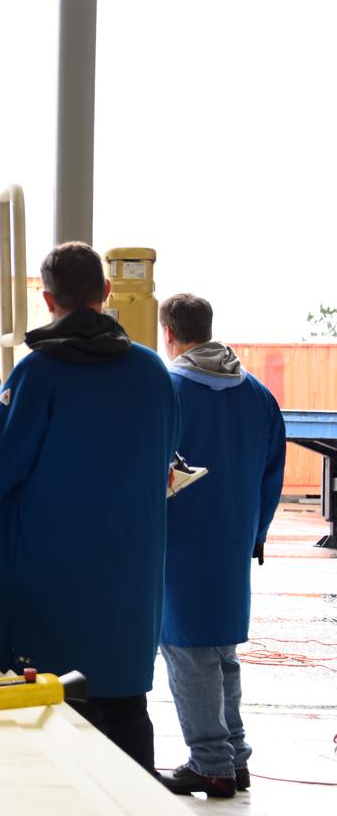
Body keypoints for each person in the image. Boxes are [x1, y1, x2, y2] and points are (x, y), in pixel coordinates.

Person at [0, 242, 179, 773]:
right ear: (105, 293)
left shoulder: (39, 374)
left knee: (48, 741)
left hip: (51, 593)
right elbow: (164, 457)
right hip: (130, 593)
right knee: (125, 728)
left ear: (48, 299)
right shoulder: (151, 373)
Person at [156, 294, 285, 798]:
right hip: (232, 542)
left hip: (179, 542)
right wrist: (254, 534)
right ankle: (235, 755)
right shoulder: (259, 396)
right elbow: (271, 480)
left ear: (168, 333)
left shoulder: (167, 389)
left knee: (187, 649)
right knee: (221, 651)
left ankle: (211, 764)